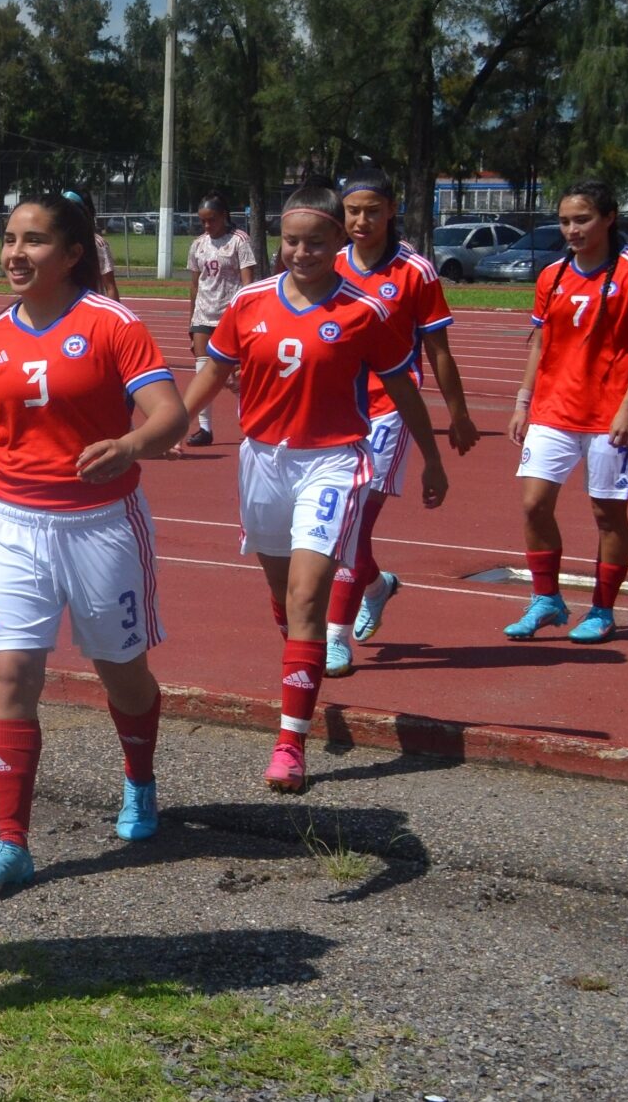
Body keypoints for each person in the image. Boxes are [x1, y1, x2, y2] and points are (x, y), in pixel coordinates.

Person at [179, 184, 447, 794]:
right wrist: (162, 430)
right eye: (293, 241)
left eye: (316, 241)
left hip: (333, 462)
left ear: (337, 241)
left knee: (307, 598)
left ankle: (290, 744)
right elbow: (213, 372)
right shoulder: (248, 304)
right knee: (282, 594)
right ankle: (300, 665)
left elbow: (403, 388)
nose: (303, 252)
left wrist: (431, 457)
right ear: (281, 242)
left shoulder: (363, 311)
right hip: (263, 462)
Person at [0, 193, 185, 893]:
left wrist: (130, 442)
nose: (15, 254)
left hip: (101, 526)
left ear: (73, 253)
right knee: (11, 675)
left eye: (34, 241)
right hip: (13, 526)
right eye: (8, 239)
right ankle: (10, 842)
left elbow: (170, 415)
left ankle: (140, 779)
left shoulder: (113, 324)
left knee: (122, 673)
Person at [323, 167, 480, 676]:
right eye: (352, 211)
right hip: (337, 411)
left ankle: (335, 637)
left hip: (390, 414)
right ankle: (377, 585)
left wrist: (457, 414)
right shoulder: (332, 262)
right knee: (340, 530)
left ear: (392, 211)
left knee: (349, 528)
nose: (361, 220)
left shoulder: (416, 271)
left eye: (372, 210)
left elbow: (439, 351)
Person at [506, 179, 628, 644]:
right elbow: (542, 343)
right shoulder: (552, 275)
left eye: (582, 219)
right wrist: (524, 400)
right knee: (533, 504)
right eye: (565, 221)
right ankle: (546, 599)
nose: (572, 229)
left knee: (607, 515)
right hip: (553, 409)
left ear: (609, 218)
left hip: (611, 416)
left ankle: (603, 610)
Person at [180, 193, 259, 449]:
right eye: (202, 221)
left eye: (211, 220)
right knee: (202, 372)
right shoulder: (198, 245)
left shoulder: (239, 241)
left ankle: (248, 424)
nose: (206, 226)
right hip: (204, 313)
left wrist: (246, 316)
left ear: (224, 217)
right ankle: (204, 428)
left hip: (231, 314)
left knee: (235, 377)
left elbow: (248, 282)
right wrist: (192, 320)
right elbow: (195, 284)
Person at [62, 191, 119, 299]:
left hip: (89, 306)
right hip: (62, 307)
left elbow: (110, 286)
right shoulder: (56, 242)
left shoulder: (97, 245)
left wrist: (113, 314)